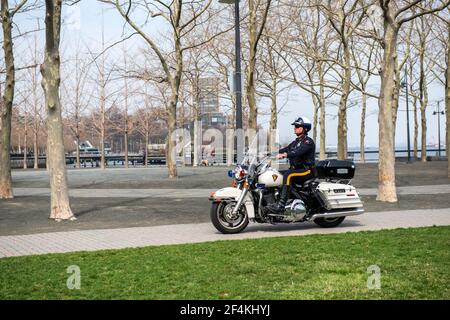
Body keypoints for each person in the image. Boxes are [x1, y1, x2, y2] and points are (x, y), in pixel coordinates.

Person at [266, 117, 316, 214]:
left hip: (306, 170)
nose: (295, 128)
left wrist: (285, 155)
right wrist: (269, 153)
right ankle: (274, 200)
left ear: (304, 128)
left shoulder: (308, 142)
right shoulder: (295, 142)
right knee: (275, 175)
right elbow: (286, 149)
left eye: (297, 126)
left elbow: (297, 152)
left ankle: (281, 205)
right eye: (295, 126)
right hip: (296, 169)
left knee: (288, 175)